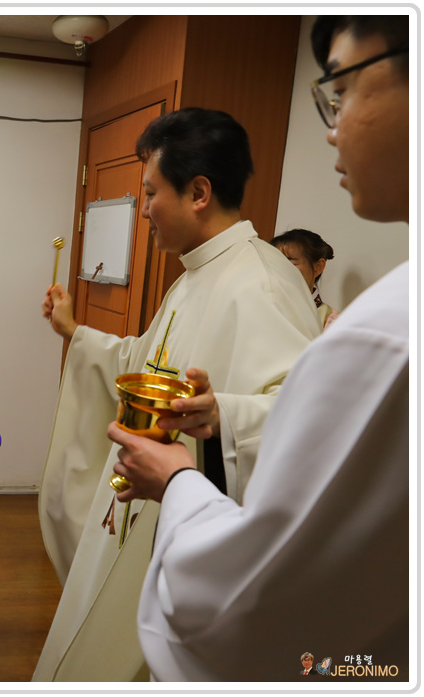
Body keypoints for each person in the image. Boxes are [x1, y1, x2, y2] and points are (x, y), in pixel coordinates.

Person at [108, 15, 409, 681]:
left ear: (198, 191)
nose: (331, 127)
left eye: (342, 90)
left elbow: (263, 589)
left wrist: (180, 477)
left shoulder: (328, 309)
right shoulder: (196, 273)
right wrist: (219, 412)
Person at [34, 108, 323, 681]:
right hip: (148, 509)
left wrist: (223, 416)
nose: (142, 210)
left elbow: (311, 422)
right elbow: (146, 364)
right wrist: (77, 333)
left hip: (188, 526)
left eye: (149, 193)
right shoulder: (198, 274)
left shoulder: (262, 282)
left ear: (198, 193)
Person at [271, 228, 340, 328]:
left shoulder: (333, 322)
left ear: (318, 267)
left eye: (290, 263)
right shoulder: (261, 306)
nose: (279, 269)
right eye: (274, 263)